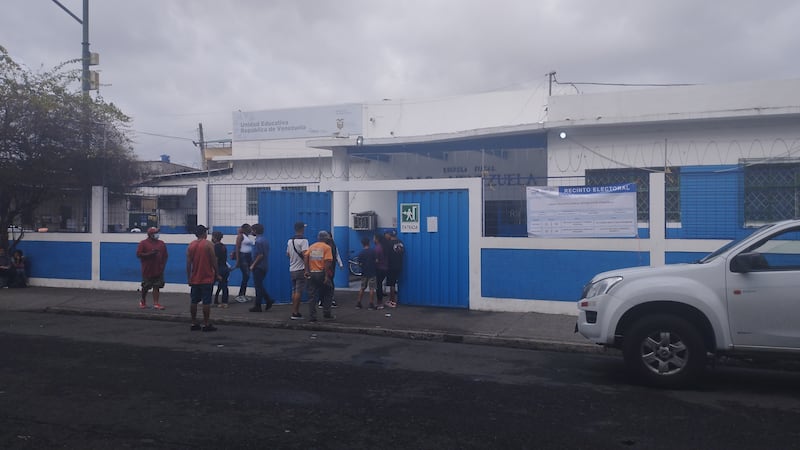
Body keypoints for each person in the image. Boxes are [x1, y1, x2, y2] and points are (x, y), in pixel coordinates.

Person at [186, 225, 218, 332]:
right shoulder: (208, 244)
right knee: (206, 302)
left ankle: (194, 322)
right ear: (204, 233)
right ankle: (206, 323)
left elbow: (188, 263)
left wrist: (189, 278)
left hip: (195, 278)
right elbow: (214, 261)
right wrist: (217, 273)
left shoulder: (191, 245)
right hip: (207, 277)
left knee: (194, 301)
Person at [304, 230, 334, 322]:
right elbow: (327, 262)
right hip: (321, 273)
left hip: (312, 273)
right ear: (326, 238)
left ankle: (312, 316)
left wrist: (306, 270)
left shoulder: (312, 246)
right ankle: (326, 312)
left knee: (312, 295)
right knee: (329, 290)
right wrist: (326, 276)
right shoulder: (327, 248)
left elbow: (305, 256)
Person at [135, 227, 168, 310]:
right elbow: (139, 254)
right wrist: (150, 254)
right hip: (147, 269)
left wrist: (163, 265)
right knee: (146, 286)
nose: (157, 234)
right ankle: (143, 300)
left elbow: (165, 255)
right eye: (155, 233)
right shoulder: (143, 243)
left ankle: (156, 303)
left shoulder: (161, 243)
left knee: (157, 286)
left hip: (158, 269)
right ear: (150, 235)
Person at [248, 223, 274, 312]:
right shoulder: (264, 240)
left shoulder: (258, 241)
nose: (251, 232)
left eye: (252, 230)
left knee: (258, 286)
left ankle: (259, 304)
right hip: (264, 266)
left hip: (258, 266)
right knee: (259, 286)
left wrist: (253, 265)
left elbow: (260, 255)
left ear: (255, 231)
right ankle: (267, 300)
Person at [286, 221, 309, 320]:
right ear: (302, 229)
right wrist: (307, 270)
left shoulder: (290, 241)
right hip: (300, 269)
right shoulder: (304, 241)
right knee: (299, 291)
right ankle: (295, 312)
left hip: (292, 269)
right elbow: (306, 255)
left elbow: (287, 254)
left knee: (294, 290)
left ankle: (294, 311)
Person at [233, 223, 255, 302]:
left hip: (248, 257)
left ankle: (243, 294)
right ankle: (240, 295)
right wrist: (238, 260)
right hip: (243, 257)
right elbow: (237, 248)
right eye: (249, 228)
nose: (250, 230)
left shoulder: (247, 236)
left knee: (247, 276)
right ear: (245, 229)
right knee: (246, 275)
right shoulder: (240, 236)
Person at [354, 237, 377, 310]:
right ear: (369, 243)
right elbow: (376, 261)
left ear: (362, 244)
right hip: (372, 272)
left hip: (364, 272)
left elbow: (359, 264)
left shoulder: (361, 253)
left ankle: (358, 303)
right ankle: (371, 304)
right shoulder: (373, 251)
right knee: (371, 289)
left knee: (362, 288)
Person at [384, 230, 405, 308]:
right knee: (396, 282)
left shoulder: (388, 244)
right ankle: (394, 300)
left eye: (386, 234)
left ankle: (392, 301)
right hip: (399, 265)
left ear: (389, 235)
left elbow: (386, 255)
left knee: (391, 284)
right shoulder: (401, 242)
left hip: (391, 266)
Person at [323, 234, 344, 308]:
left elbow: (337, 255)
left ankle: (324, 300)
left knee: (325, 284)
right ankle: (330, 300)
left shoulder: (325, 246)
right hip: (331, 268)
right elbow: (337, 255)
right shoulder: (332, 246)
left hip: (325, 268)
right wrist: (340, 264)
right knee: (330, 284)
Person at [211, 231, 230, 308]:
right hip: (225, 268)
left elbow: (216, 259)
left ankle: (207, 301)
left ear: (214, 238)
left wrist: (215, 270)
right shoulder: (223, 246)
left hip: (219, 268)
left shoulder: (216, 247)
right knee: (224, 285)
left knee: (210, 284)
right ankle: (224, 302)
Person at [374, 233, 389, 309]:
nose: (373, 240)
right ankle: (380, 302)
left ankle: (379, 303)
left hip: (379, 269)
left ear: (377, 239)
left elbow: (376, 260)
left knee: (378, 286)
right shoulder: (385, 247)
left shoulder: (377, 248)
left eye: (374, 238)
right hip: (385, 268)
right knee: (380, 285)